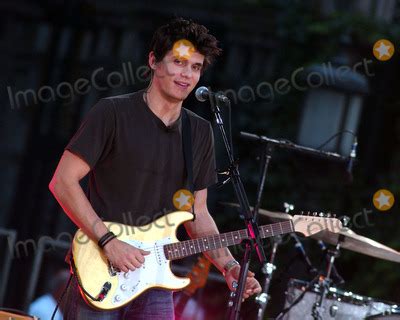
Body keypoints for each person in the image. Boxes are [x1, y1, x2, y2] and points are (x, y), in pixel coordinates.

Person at [49, 17, 261, 319]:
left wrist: (228, 266)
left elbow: (197, 213)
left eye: (196, 67)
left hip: (156, 281)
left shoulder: (198, 132)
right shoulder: (113, 113)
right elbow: (63, 182)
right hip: (100, 270)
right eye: (179, 62)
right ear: (153, 61)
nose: (187, 75)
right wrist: (109, 241)